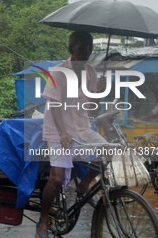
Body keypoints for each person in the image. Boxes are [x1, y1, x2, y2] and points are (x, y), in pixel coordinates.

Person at [36, 30, 106, 238]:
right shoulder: (58, 71)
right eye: (82, 48)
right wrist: (63, 133)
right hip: (59, 132)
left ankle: (84, 186)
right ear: (71, 49)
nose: (87, 52)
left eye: (90, 49)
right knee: (56, 179)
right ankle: (42, 219)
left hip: (83, 128)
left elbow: (93, 108)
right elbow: (55, 105)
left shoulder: (91, 72)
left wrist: (100, 92)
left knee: (109, 152)